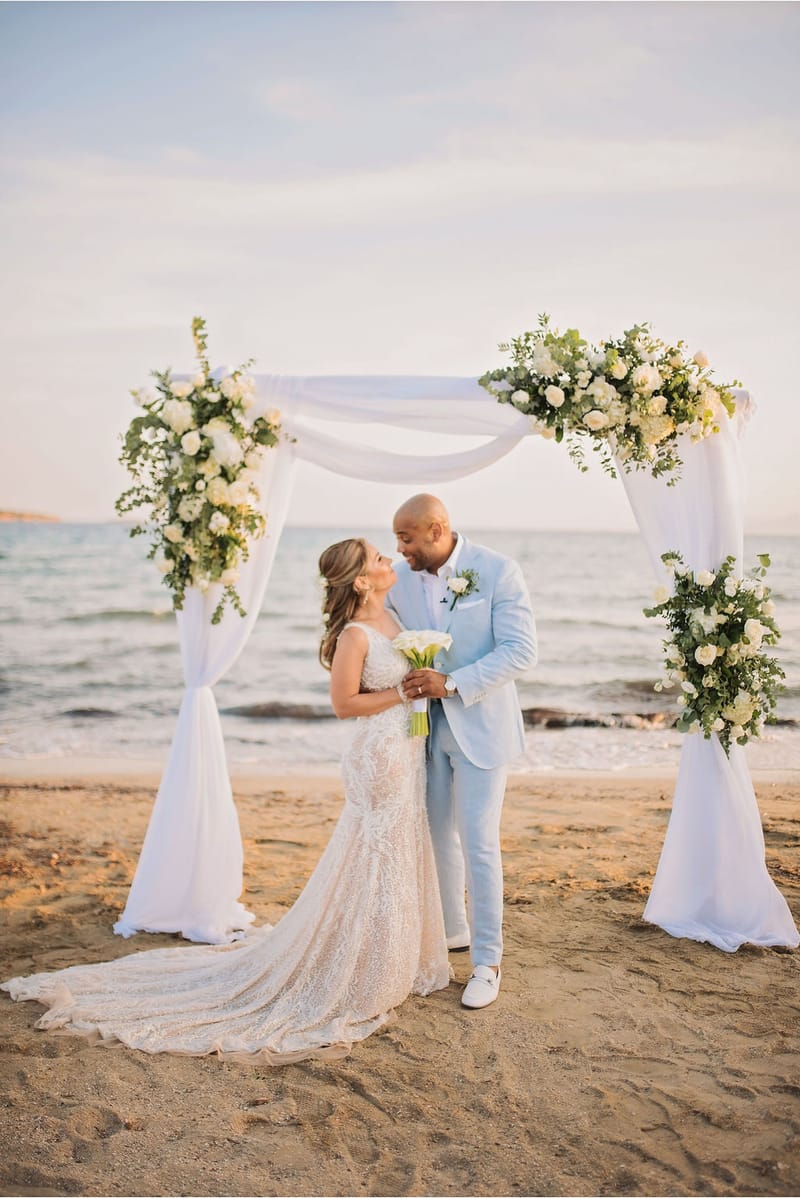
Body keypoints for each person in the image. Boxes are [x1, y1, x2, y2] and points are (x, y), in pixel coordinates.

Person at [1, 538, 450, 1063]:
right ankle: (361, 969)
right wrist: (403, 695)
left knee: (396, 852)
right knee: (377, 855)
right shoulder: (355, 636)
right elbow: (344, 704)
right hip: (379, 756)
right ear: (360, 580)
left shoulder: (395, 618)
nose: (387, 561)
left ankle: (385, 958)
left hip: (405, 748)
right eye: (377, 558)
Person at [388, 495, 537, 1010]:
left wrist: (451, 683)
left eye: (406, 538)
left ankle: (488, 962)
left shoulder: (497, 570)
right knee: (435, 836)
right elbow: (382, 630)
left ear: (437, 529)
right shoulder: (399, 578)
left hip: (483, 728)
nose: (399, 549)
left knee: (479, 842)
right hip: (423, 733)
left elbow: (521, 650)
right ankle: (453, 931)